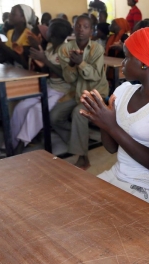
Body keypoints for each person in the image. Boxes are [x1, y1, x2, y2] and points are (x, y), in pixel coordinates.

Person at [80, 28, 149, 207]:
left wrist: (112, 125)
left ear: (144, 63)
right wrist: (102, 121)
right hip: (119, 174)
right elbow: (111, 148)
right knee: (79, 201)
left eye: (127, 57)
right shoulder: (124, 91)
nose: (123, 63)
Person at [51, 15, 109, 169]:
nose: (81, 30)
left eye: (85, 27)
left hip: (96, 93)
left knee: (79, 113)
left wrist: (81, 63)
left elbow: (96, 75)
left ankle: (83, 157)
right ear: (73, 28)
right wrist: (71, 64)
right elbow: (69, 79)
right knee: (54, 116)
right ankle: (78, 139)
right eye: (78, 26)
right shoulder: (65, 49)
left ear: (91, 30)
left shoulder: (97, 48)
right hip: (76, 92)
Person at [10, 19, 73, 154]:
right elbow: (45, 69)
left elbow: (66, 75)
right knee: (21, 107)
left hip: (62, 91)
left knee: (37, 110)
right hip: (48, 86)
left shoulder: (67, 50)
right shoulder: (50, 47)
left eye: (49, 28)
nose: (46, 29)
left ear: (54, 34)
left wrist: (44, 59)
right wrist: (38, 50)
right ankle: (11, 141)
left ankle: (21, 144)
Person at [0, 4, 36, 69]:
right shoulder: (10, 32)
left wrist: (1, 43)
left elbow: (23, 61)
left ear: (23, 18)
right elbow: (7, 56)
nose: (9, 15)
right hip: (10, 68)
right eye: (10, 13)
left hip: (23, 71)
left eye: (13, 14)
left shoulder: (28, 34)